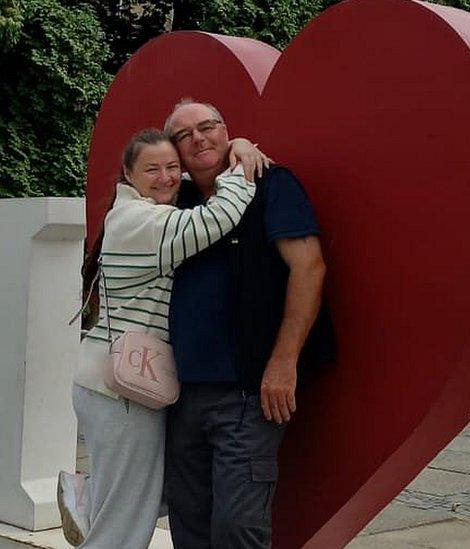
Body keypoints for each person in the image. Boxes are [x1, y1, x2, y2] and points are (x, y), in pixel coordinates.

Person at [58, 128, 269, 548]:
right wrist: (241, 167)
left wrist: (237, 145)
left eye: (173, 167)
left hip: (115, 383)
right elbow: (218, 218)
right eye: (152, 169)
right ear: (128, 175)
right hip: (122, 391)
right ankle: (91, 494)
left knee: (144, 494)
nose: (167, 177)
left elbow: (193, 181)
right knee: (124, 527)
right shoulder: (145, 222)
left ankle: (89, 492)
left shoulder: (133, 211)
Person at [163, 100, 335, 548]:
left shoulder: (270, 184)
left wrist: (284, 362)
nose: (199, 138)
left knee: (238, 528)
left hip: (248, 394)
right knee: (189, 526)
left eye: (208, 127)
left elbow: (309, 267)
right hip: (179, 398)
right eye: (184, 135)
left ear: (227, 130)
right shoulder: (169, 202)